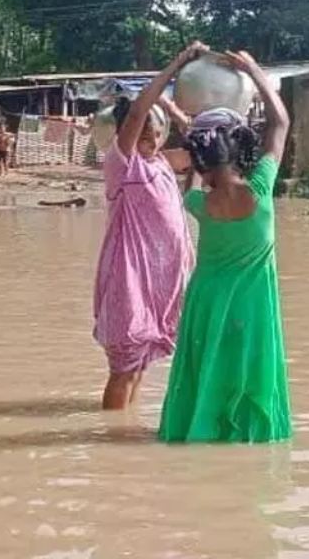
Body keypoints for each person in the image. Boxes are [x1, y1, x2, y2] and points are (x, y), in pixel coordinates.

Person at [157, 50, 292, 443]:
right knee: (248, 369)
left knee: (207, 367)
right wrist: (252, 68)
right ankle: (246, 438)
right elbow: (280, 122)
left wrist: (189, 124)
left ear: (199, 159)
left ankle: (199, 431)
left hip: (207, 299)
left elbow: (197, 177)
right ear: (240, 149)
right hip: (251, 301)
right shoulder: (262, 188)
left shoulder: (197, 203)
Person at [92, 42, 202, 411]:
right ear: (125, 135)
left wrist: (174, 112)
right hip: (131, 279)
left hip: (160, 279)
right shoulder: (123, 165)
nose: (150, 140)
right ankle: (109, 439)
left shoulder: (161, 164)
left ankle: (123, 429)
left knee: (138, 367)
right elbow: (139, 110)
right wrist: (179, 63)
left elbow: (196, 146)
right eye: (142, 134)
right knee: (123, 367)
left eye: (156, 133)